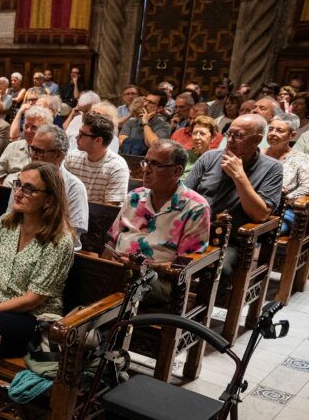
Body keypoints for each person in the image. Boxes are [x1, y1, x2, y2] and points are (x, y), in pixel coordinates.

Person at [0, 162, 75, 357]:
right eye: (18, 184)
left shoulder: (59, 240)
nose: (18, 193)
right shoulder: (5, 222)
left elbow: (31, 300)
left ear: (48, 200)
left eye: (29, 189)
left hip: (31, 318)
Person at [106, 140, 211, 303]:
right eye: (146, 162)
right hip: (119, 270)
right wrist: (103, 266)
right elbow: (111, 243)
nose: (146, 170)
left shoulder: (195, 207)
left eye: (155, 164)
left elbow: (185, 265)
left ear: (176, 171)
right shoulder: (134, 197)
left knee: (128, 285)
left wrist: (143, 267)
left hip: (160, 280)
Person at [186, 114, 283, 281]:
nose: (230, 140)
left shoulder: (272, 168)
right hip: (193, 230)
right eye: (229, 134)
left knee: (219, 269)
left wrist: (239, 176)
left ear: (257, 140)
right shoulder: (209, 157)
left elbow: (260, 215)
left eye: (238, 135)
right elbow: (184, 196)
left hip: (231, 241)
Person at [64, 112, 130, 204]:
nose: (77, 137)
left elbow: (110, 208)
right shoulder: (72, 157)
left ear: (98, 141)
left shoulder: (117, 167)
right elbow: (62, 192)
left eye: (82, 134)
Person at [265, 113, 309, 235]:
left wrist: (281, 198)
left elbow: (306, 188)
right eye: (271, 129)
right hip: (252, 203)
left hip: (284, 209)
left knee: (266, 232)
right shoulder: (257, 154)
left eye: (279, 131)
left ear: (292, 135)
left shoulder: (301, 159)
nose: (273, 133)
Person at [0, 105, 53, 182]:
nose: (28, 131)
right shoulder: (13, 146)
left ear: (46, 129)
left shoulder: (50, 153)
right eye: (26, 126)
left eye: (34, 127)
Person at [121, 89, 171, 155]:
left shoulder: (164, 126)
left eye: (151, 102)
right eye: (145, 100)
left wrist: (145, 123)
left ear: (159, 108)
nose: (145, 104)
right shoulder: (130, 123)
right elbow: (121, 142)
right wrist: (144, 145)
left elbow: (154, 145)